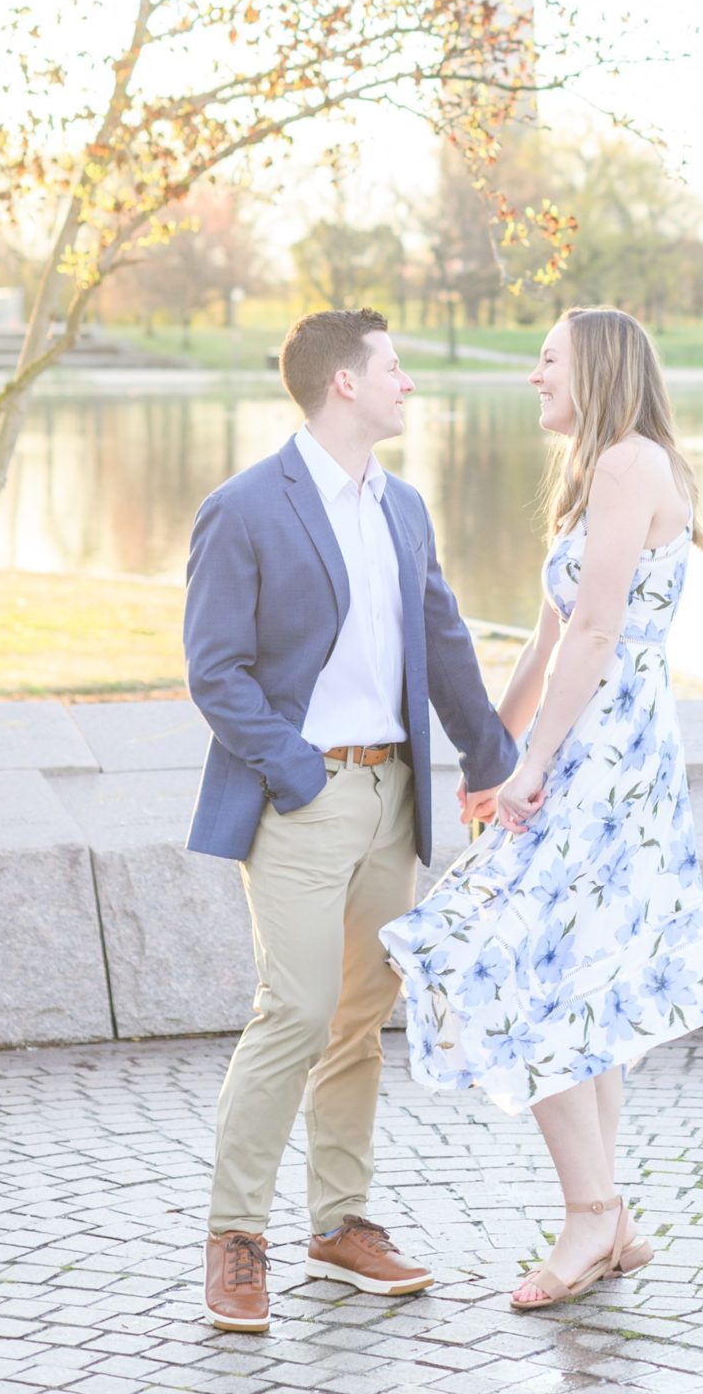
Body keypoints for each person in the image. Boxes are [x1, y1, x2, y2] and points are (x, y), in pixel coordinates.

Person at [381, 305, 703, 1312]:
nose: (532, 377)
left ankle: (590, 1212)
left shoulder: (632, 462)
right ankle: (605, 1220)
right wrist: (491, 754)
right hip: (570, 753)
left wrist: (532, 766)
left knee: (509, 965)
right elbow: (541, 649)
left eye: (545, 361)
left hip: (609, 763)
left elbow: (595, 632)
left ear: (595, 366)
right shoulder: (590, 473)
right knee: (572, 981)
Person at [183, 307, 517, 1334]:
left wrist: (490, 760)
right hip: (300, 796)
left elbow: (443, 637)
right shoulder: (243, 508)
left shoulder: (404, 506)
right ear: (341, 384)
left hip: (393, 798)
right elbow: (214, 669)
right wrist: (294, 771)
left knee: (359, 1019)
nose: (405, 382)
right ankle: (236, 1239)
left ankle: (340, 1226)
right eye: (391, 367)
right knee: (293, 1009)